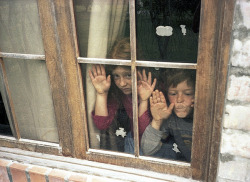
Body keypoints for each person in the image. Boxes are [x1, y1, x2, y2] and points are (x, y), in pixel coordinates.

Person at [89, 37, 156, 152]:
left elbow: (142, 132)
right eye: (116, 76)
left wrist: (144, 100)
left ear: (139, 70)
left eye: (128, 75)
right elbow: (102, 124)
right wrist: (101, 93)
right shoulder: (118, 93)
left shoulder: (155, 91)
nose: (122, 83)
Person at [141, 69, 195, 162]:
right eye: (173, 94)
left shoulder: (207, 117)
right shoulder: (171, 119)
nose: (179, 99)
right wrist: (157, 120)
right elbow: (147, 150)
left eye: (188, 93)